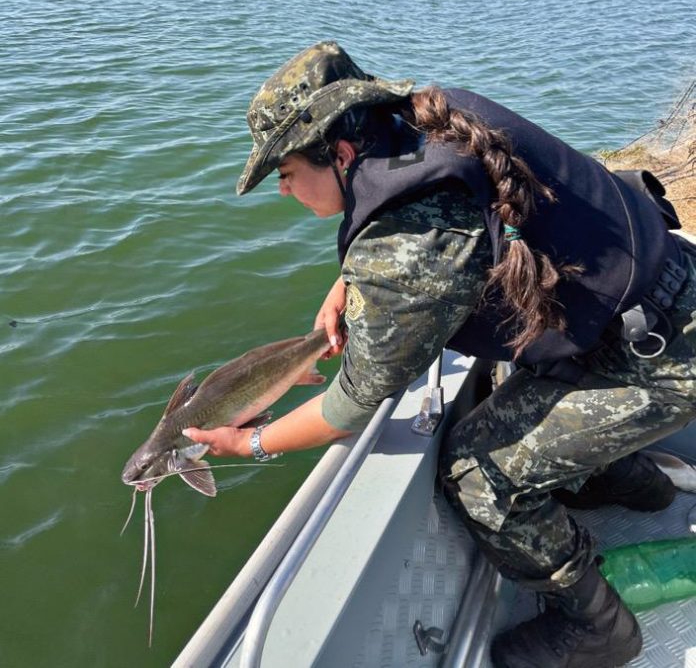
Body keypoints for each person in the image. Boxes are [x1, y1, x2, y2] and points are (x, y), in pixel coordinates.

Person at [184, 41, 696, 668]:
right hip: (661, 290)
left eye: (285, 174)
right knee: (510, 376)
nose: (284, 191)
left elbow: (353, 402)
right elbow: (445, 216)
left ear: (341, 153)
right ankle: (633, 485)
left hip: (660, 360)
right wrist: (350, 280)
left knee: (476, 470)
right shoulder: (437, 115)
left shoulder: (411, 238)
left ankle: (598, 629)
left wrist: (251, 444)